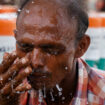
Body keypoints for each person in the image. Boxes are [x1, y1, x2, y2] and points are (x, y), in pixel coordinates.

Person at [0, 0, 105, 105]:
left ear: (81, 47)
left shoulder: (101, 93)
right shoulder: (9, 91)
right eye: (25, 47)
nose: (35, 62)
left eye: (50, 50)